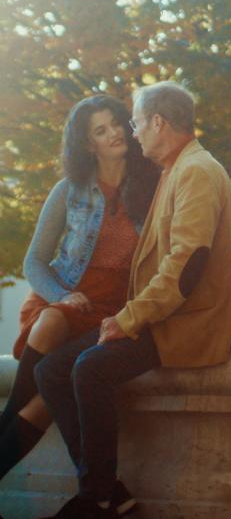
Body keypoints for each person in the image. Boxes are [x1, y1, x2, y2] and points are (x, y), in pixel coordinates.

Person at [34, 80, 231, 519]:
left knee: (90, 369)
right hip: (166, 316)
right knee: (51, 370)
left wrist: (128, 318)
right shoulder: (176, 168)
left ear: (158, 122)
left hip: (187, 322)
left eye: (134, 123)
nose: (131, 134)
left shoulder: (196, 171)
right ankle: (109, 490)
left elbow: (185, 268)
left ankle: (95, 499)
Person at [0, 95, 159, 513]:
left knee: (42, 403)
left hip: (108, 312)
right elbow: (34, 261)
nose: (115, 134)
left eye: (116, 124)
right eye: (100, 131)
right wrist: (60, 294)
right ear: (88, 144)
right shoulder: (68, 190)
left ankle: (110, 491)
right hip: (62, 297)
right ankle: (109, 491)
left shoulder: (149, 189)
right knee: (52, 319)